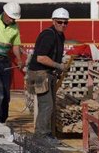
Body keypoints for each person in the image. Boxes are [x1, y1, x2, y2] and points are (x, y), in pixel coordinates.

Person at [27, 8, 70, 140]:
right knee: (47, 105)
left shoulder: (60, 35)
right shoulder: (48, 35)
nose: (62, 25)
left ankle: (46, 133)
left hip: (47, 73)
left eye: (65, 22)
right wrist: (59, 66)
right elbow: (40, 58)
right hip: (39, 74)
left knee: (48, 105)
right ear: (53, 21)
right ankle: (41, 136)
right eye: (59, 22)